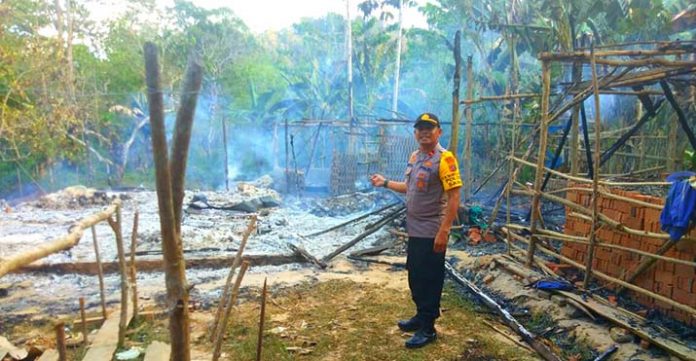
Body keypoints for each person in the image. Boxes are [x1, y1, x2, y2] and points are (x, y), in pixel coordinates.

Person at [370, 112, 462, 348]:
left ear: (439, 132)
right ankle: (421, 316)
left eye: (429, 129)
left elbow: (454, 198)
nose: (424, 132)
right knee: (415, 275)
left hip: (432, 229)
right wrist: (386, 182)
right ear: (415, 133)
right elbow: (409, 188)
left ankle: (428, 328)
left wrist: (445, 231)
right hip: (415, 229)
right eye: (420, 129)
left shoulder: (446, 159)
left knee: (429, 278)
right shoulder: (415, 156)